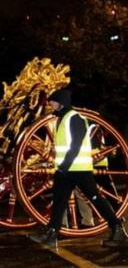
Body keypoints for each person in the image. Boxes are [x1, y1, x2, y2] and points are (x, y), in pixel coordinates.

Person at [30, 88, 127, 248]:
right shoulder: (63, 119)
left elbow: (75, 145)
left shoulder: (75, 118)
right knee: (59, 202)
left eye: (53, 101)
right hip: (66, 170)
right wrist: (62, 167)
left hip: (78, 169)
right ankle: (51, 233)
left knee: (95, 198)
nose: (51, 104)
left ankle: (117, 227)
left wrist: (64, 166)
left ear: (61, 102)